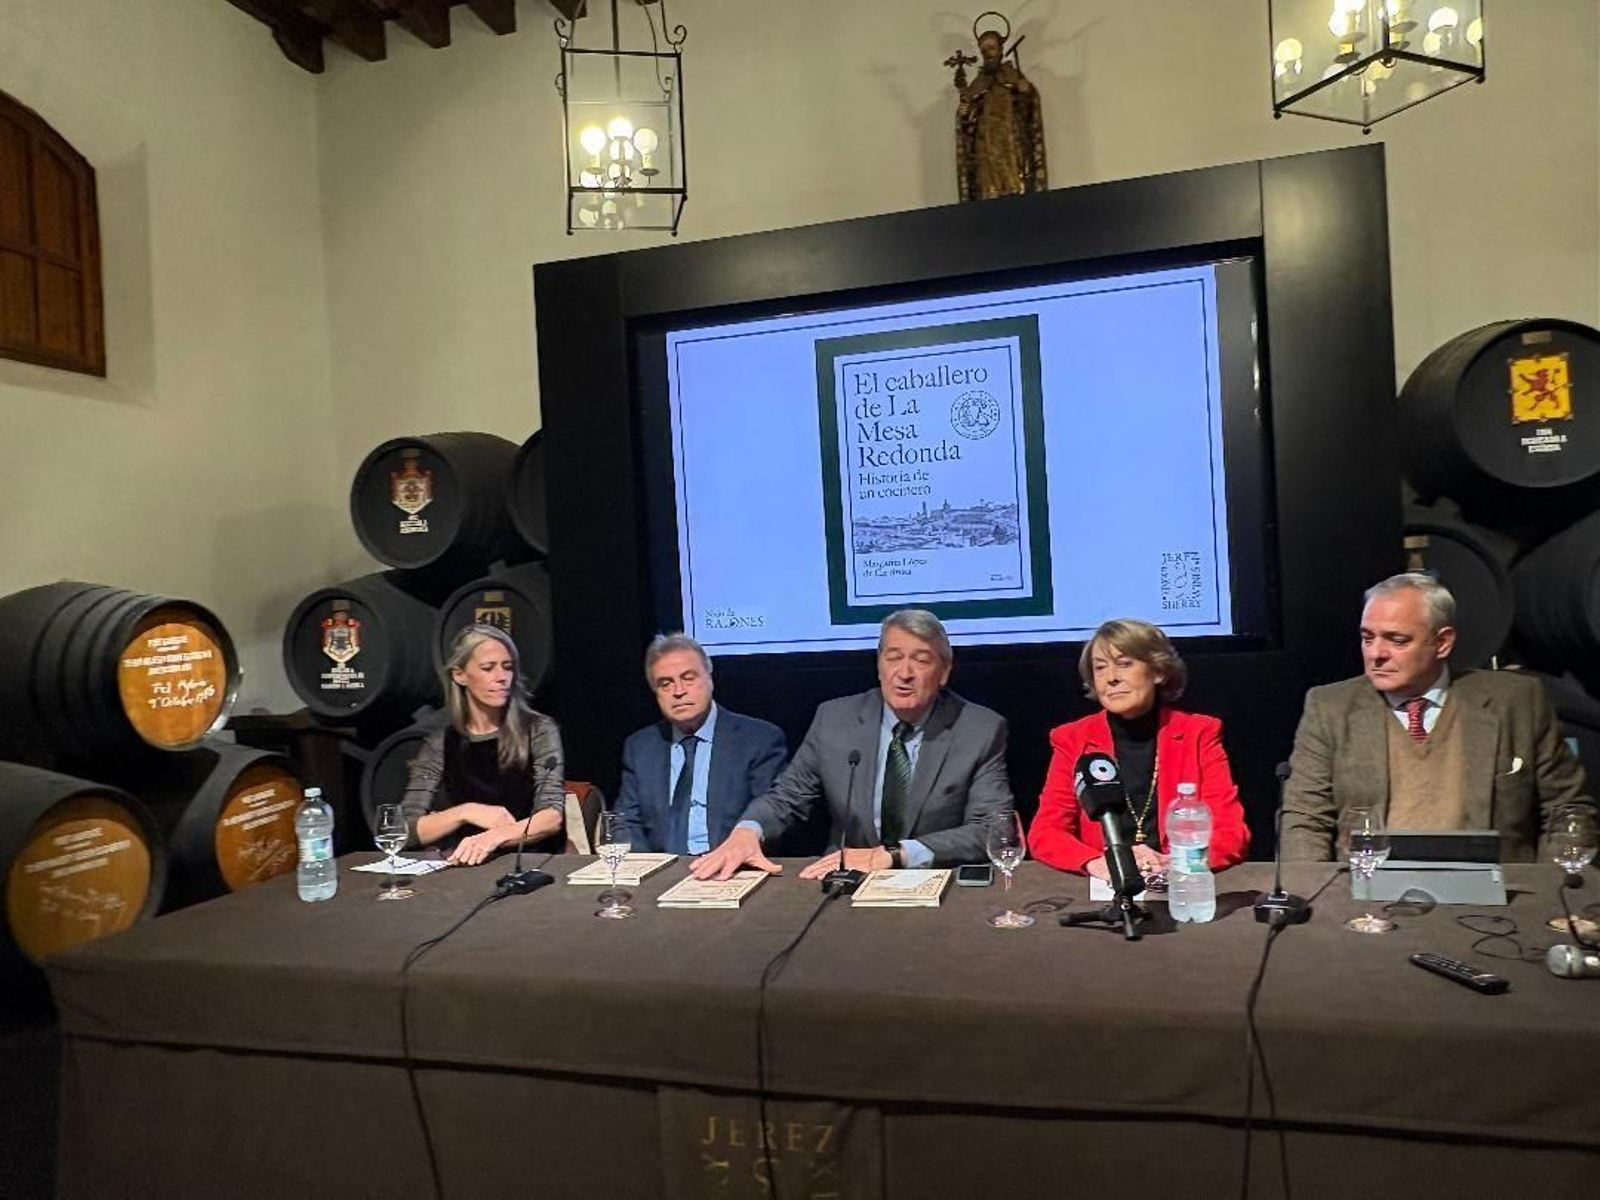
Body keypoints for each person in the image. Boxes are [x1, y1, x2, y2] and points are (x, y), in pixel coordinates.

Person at [1281, 573, 1595, 861]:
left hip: (1495, 896)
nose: (1376, 653)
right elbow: (1305, 818)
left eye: (1397, 640)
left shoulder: (1517, 701)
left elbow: (1568, 810)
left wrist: (1550, 893)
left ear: (1442, 642)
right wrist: (1317, 895)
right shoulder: (1330, 707)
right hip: (1366, 893)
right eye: (1367, 638)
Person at [691, 609, 1015, 881]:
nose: (904, 673)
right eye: (893, 658)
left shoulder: (979, 729)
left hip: (934, 881)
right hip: (845, 879)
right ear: (879, 665)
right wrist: (749, 830)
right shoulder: (834, 719)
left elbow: (990, 828)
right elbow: (787, 797)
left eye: (921, 660)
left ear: (944, 672)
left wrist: (896, 855)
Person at [1030, 618, 1250, 879]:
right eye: (1100, 667)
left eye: (1124, 664)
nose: (1111, 678)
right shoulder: (1072, 739)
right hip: (1108, 886)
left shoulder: (1199, 733)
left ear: (1158, 671)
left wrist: (1175, 863)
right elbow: (1046, 832)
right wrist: (1098, 863)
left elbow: (1232, 834)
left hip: (1178, 884)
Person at [402, 623, 566, 866]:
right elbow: (406, 830)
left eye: (507, 667)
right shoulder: (441, 742)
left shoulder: (538, 729)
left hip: (535, 863)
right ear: (459, 675)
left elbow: (551, 817)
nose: (501, 677)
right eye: (488, 668)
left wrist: (494, 837)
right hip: (470, 867)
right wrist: (466, 811)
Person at [613, 633, 789, 855]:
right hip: (661, 867)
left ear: (710, 679)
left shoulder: (758, 740)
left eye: (688, 678)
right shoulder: (640, 747)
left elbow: (771, 815)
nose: (679, 691)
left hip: (731, 865)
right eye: (666, 684)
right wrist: (648, 868)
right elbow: (625, 822)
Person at [953, 21, 1047, 201]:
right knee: (988, 190)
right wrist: (965, 114)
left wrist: (1026, 92)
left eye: (991, 48)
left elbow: (1028, 112)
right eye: (983, 50)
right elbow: (969, 123)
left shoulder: (1013, 76)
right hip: (985, 147)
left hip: (1011, 143)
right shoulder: (978, 83)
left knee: (1015, 187)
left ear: (1001, 50)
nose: (988, 53)